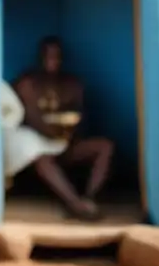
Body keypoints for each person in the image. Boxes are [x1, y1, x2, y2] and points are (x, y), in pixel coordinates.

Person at [10, 36, 115, 220]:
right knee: (42, 160)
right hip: (38, 146)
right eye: (48, 56)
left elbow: (79, 117)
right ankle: (74, 204)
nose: (53, 61)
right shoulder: (28, 84)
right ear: (40, 58)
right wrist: (51, 130)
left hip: (66, 143)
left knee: (104, 146)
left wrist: (70, 129)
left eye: (56, 56)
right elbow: (29, 119)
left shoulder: (72, 85)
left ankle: (90, 197)